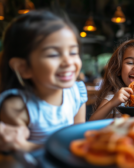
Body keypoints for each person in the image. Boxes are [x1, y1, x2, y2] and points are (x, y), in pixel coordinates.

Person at [0, 10, 87, 152]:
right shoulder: (16, 107)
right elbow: (15, 151)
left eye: (73, 52)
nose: (68, 62)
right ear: (23, 68)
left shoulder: (77, 93)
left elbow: (77, 141)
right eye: (53, 54)